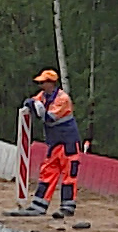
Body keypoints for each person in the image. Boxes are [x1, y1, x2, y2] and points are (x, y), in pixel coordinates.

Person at [8, 68, 81, 218]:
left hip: (68, 142)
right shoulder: (44, 96)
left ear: (51, 83)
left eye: (43, 83)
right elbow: (31, 102)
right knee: (47, 172)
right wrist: (32, 104)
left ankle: (67, 207)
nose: (40, 86)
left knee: (69, 175)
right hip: (54, 142)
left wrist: (37, 107)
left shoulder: (62, 99)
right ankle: (39, 205)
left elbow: (49, 117)